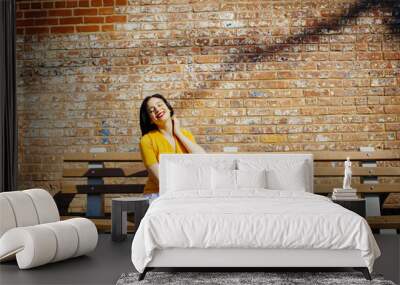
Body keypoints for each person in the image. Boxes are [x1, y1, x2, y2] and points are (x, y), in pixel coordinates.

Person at [139, 94, 206, 197]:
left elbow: (203, 159)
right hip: (158, 194)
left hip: (185, 192)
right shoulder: (146, 141)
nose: (157, 109)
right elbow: (160, 180)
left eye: (160, 105)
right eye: (152, 110)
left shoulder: (185, 134)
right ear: (150, 120)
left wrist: (178, 133)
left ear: (169, 108)